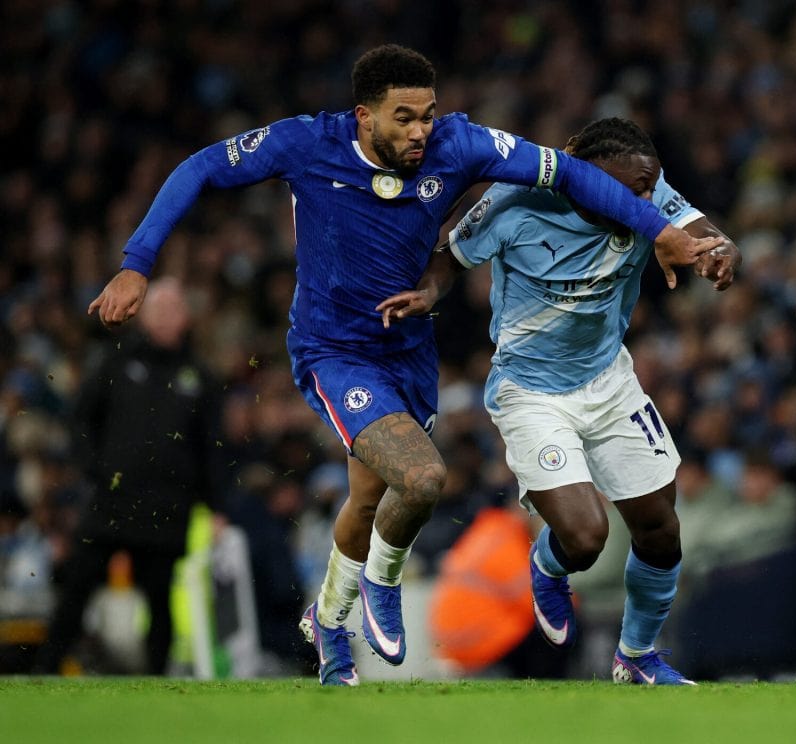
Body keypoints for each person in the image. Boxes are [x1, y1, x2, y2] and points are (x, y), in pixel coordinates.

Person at [85, 45, 724, 686]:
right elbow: (199, 167)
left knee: (369, 500)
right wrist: (137, 263)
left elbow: (565, 172)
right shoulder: (306, 144)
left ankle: (328, 625)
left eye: (427, 114)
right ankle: (379, 588)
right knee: (420, 478)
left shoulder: (461, 143)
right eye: (403, 118)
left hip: (408, 349)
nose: (420, 131)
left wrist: (660, 228)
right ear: (364, 116)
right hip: (335, 351)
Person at [378, 117, 741, 684]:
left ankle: (637, 657)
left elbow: (701, 230)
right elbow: (450, 254)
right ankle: (548, 564)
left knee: (660, 528)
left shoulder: (646, 186)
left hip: (609, 379)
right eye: (630, 192)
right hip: (530, 391)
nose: (645, 203)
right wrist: (428, 291)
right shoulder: (515, 202)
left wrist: (721, 252)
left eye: (650, 190)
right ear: (586, 178)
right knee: (586, 537)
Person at [35, 277, 224, 674]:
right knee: (77, 586)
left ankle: (156, 681)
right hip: (112, 499)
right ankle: (44, 671)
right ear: (143, 315)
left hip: (167, 506)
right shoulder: (116, 359)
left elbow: (212, 447)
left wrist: (216, 505)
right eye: (159, 309)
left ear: (186, 317)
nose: (167, 317)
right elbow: (80, 418)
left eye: (174, 309)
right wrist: (94, 470)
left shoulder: (199, 376)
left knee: (159, 598)